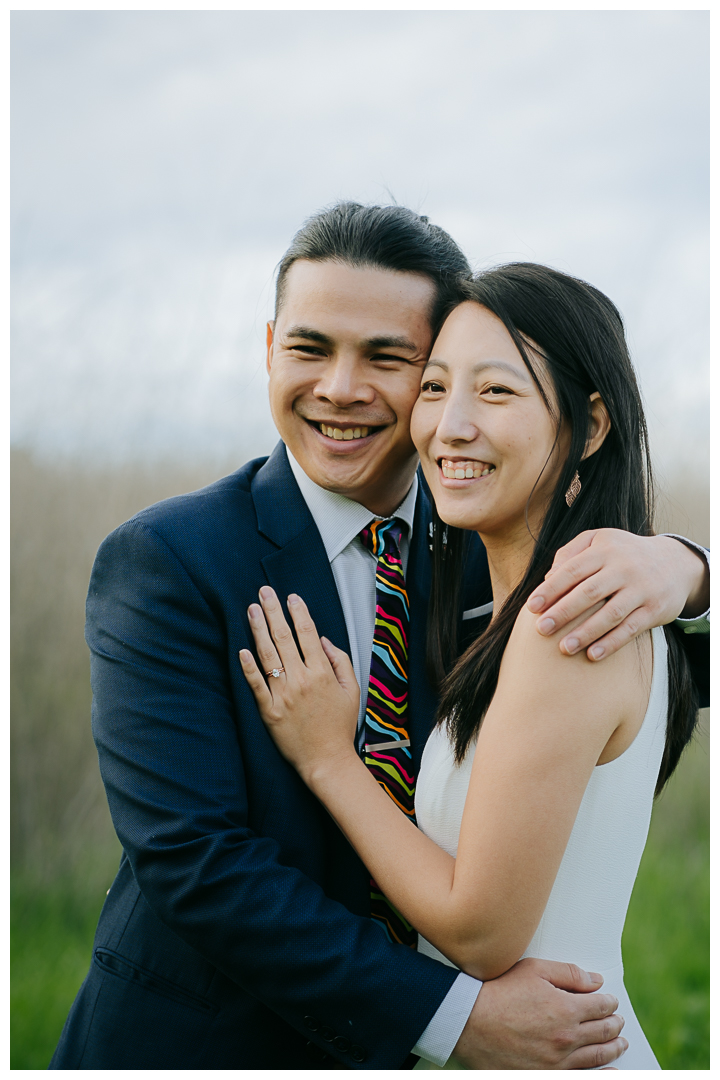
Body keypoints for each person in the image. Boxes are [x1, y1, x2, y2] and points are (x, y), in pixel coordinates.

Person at [51, 205, 709, 1070]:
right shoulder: (170, 560)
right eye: (311, 348)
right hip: (217, 1045)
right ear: (268, 348)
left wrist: (692, 571)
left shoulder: (504, 543)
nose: (340, 388)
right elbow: (195, 861)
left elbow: (654, 681)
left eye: (391, 360)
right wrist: (451, 1017)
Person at [239, 261, 708, 1070]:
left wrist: (326, 758)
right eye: (435, 388)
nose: (450, 426)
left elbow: (482, 932)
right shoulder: (538, 608)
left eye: (495, 393)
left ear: (590, 427)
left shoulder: (564, 623)